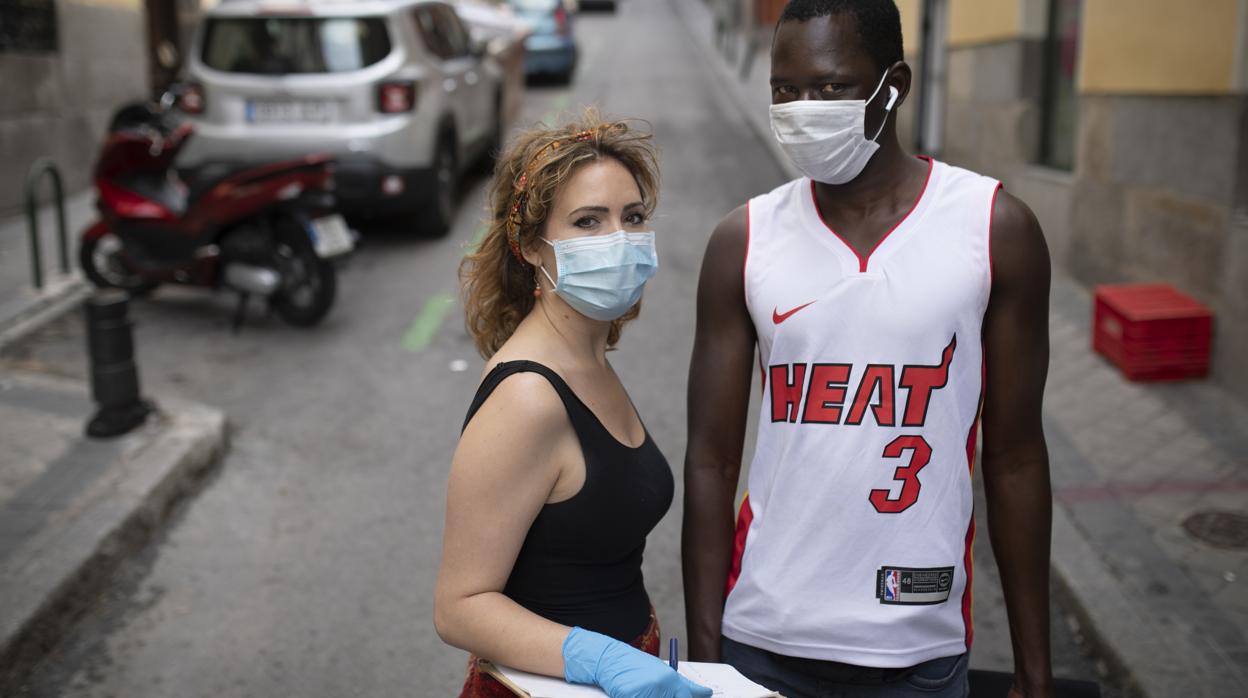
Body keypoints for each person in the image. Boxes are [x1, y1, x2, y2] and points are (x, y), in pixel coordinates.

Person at [681, 1, 1054, 697]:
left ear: (895, 84)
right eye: (785, 90)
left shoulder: (994, 228)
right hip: (763, 638)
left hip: (917, 646)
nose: (803, 109)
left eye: (830, 88)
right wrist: (706, 658)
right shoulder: (745, 240)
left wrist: (1037, 672)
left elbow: (1016, 459)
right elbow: (710, 460)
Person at [435, 112, 711, 698]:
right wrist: (600, 659)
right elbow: (459, 606)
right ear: (533, 246)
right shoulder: (529, 395)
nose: (619, 239)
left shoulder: (589, 358)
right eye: (589, 222)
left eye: (632, 218)